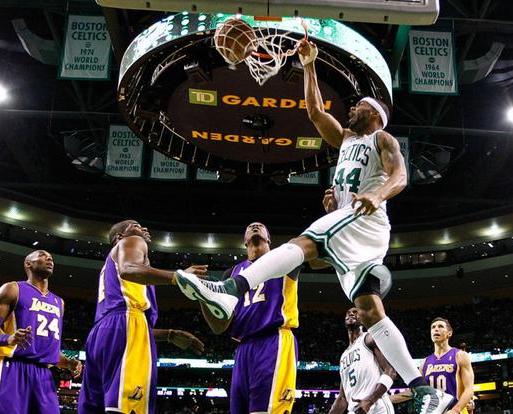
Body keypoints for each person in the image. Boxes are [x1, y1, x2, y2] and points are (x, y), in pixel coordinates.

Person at [174, 39, 453, 414]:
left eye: (358, 106)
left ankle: (229, 289)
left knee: (305, 241)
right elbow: (313, 112)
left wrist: (378, 195)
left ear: (373, 114)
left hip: (367, 220)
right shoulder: (346, 140)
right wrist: (309, 66)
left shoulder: (380, 138)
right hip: (353, 229)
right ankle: (424, 390)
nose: (351, 108)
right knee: (369, 311)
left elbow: (400, 175)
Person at [78, 220, 206, 414]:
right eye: (135, 225)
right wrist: (178, 277)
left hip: (101, 333)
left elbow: (126, 326)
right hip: (126, 324)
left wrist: (169, 334)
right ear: (120, 236)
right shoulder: (133, 241)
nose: (143, 229)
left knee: (98, 407)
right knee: (128, 408)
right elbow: (129, 270)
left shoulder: (110, 266)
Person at [199, 222, 300, 414]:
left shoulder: (285, 257)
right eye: (250, 226)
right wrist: (201, 295)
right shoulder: (231, 274)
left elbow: (315, 252)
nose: (255, 226)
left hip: (274, 340)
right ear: (244, 242)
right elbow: (219, 327)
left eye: (260, 226)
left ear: (269, 238)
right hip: (243, 347)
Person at [0, 250, 82, 414]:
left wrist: (68, 363)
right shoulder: (12, 289)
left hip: (44, 375)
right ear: (28, 264)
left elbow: (48, 351)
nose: (49, 258)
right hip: (13, 368)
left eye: (51, 257)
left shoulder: (59, 303)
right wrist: (9, 339)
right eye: (42, 255)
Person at [390, 318, 474, 414]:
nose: (436, 329)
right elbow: (416, 391)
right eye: (433, 327)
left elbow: (469, 389)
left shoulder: (460, 355)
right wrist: (389, 399)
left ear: (449, 333)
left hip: (454, 410)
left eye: (440, 326)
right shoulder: (424, 363)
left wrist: (455, 410)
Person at [329, 307, 396, 414]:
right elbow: (342, 398)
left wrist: (369, 401)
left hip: (377, 407)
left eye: (355, 312)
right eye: (348, 313)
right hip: (356, 410)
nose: (351, 314)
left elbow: (390, 371)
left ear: (363, 319)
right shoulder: (343, 356)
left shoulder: (369, 338)